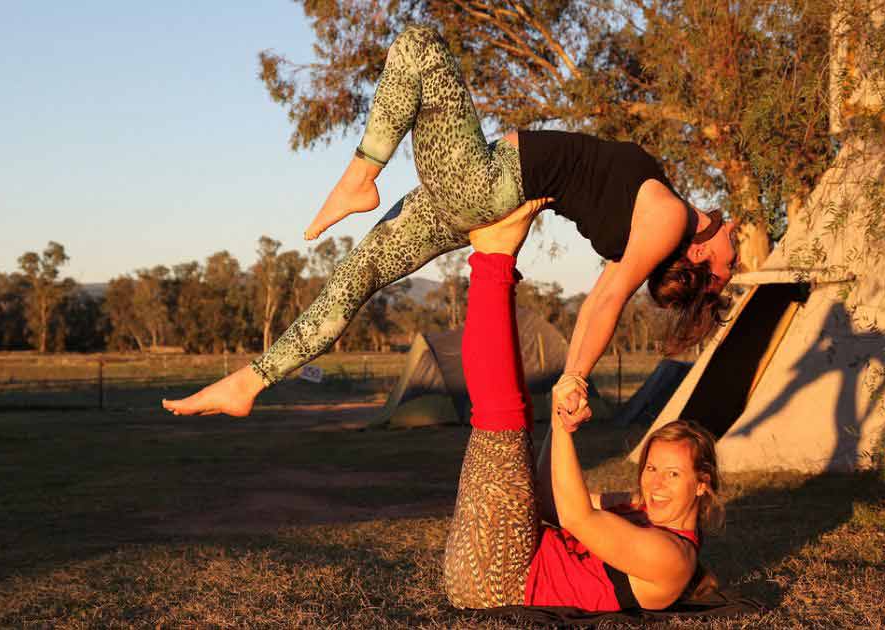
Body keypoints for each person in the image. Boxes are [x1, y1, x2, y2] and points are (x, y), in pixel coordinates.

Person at [162, 24, 737, 418]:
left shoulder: (665, 218)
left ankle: (361, 175)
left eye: (732, 264)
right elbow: (606, 291)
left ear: (702, 260)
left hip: (482, 181)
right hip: (471, 197)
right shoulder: (653, 221)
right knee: (357, 274)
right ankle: (253, 380)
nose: (738, 242)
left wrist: (574, 377)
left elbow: (606, 299)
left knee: (419, 46)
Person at [443, 206, 723, 610]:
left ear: (702, 482)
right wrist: (560, 416)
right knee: (513, 418)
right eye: (652, 469)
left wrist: (565, 431)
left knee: (501, 419)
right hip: (521, 551)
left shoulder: (672, 558)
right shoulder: (640, 506)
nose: (655, 484)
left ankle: (493, 258)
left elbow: (577, 519)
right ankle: (494, 258)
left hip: (500, 580)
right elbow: (550, 498)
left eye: (673, 473)